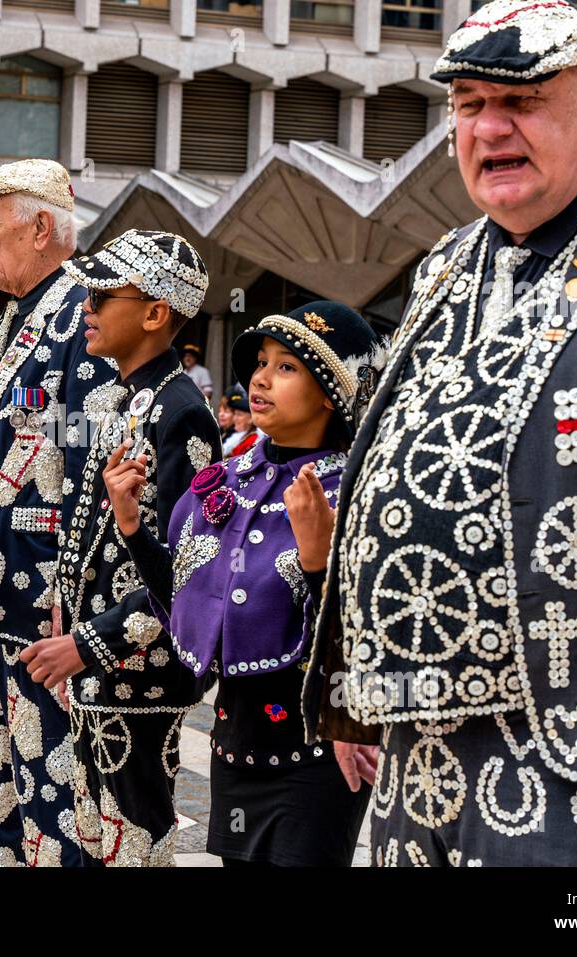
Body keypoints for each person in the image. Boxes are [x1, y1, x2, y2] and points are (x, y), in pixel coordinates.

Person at [303, 0, 577, 866]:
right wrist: (353, 681)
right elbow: (396, 458)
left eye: (524, 100)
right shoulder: (444, 264)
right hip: (414, 713)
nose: (490, 127)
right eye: (468, 103)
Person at [118, 301, 386, 865]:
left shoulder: (363, 493)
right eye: (261, 361)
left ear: (333, 392)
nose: (260, 378)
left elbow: (373, 633)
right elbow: (185, 605)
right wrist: (134, 528)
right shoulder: (226, 479)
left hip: (317, 757)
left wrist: (319, 561)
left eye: (287, 367)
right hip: (232, 748)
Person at [0, 158, 114, 866]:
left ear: (41, 229)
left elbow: (90, 459)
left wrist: (74, 597)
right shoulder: (14, 319)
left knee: (52, 803)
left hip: (42, 614)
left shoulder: (80, 315)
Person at [19, 229, 221, 866]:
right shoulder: (132, 399)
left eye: (105, 295)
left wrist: (92, 641)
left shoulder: (180, 410)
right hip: (104, 663)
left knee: (134, 833)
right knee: (96, 829)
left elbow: (188, 565)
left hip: (141, 670)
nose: (88, 307)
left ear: (156, 313)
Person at [221, 388, 258, 460]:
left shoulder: (254, 440)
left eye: (239, 415)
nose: (235, 418)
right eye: (235, 414)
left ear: (251, 419)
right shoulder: (236, 436)